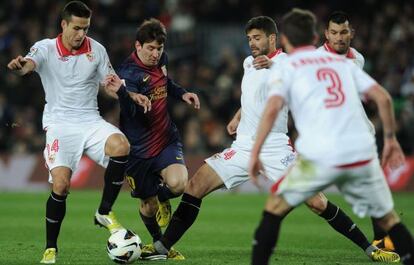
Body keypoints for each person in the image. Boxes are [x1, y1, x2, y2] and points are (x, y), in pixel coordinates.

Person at [139, 16, 399, 263]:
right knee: (195, 186)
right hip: (243, 146)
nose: (252, 43)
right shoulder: (247, 63)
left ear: (272, 39)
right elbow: (256, 93)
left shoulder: (289, 62)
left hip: (275, 147)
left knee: (317, 203)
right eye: (249, 38)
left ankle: (369, 249)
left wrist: (274, 65)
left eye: (257, 38)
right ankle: (163, 248)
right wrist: (238, 116)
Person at [249, 8, 414, 265]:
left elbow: (272, 109)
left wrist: (256, 151)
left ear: (284, 41)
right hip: (360, 150)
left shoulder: (290, 65)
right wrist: (391, 140)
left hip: (321, 152)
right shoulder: (343, 62)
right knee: (390, 219)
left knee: (273, 210)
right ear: (318, 35)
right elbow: (383, 97)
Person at [6, 1, 144, 264]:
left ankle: (104, 211)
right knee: (61, 185)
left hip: (89, 120)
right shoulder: (45, 47)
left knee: (121, 145)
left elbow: (110, 84)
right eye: (77, 28)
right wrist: (20, 66)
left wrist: (130, 94)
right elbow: (29, 65)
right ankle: (51, 248)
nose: (82, 34)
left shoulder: (97, 50)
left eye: (86, 28)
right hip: (59, 124)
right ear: (64, 25)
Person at [104, 18, 200, 260]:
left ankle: (162, 198)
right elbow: (129, 113)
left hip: (165, 138)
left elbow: (165, 82)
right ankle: (159, 244)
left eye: (159, 48)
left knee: (178, 184)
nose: (155, 54)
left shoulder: (162, 61)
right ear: (138, 46)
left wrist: (182, 93)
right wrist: (129, 96)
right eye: (150, 48)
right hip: (137, 150)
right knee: (149, 207)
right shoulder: (128, 72)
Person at [319, 11, 394, 250]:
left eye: (343, 32)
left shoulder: (357, 59)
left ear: (351, 33)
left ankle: (380, 242)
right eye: (334, 32)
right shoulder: (316, 58)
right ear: (326, 34)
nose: (339, 37)